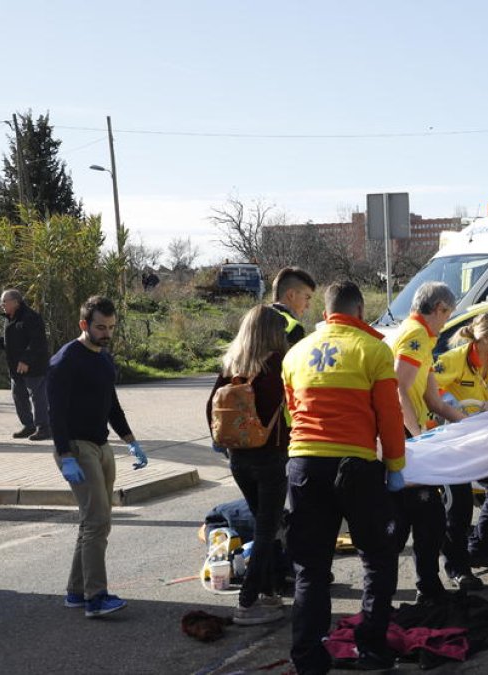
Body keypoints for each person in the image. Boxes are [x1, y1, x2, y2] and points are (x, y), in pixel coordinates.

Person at [282, 280, 406, 673]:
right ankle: (371, 648)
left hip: (304, 464)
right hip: (356, 465)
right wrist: (397, 468)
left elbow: (291, 414)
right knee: (377, 559)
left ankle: (307, 660)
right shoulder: (373, 350)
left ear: (325, 312)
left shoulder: (296, 354)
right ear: (358, 313)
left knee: (310, 568)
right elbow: (390, 417)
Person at [47, 295, 149, 618]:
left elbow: (112, 405)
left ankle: (76, 592)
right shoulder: (65, 360)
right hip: (77, 448)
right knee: (97, 522)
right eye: (100, 327)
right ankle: (96, 597)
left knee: (93, 524)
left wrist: (131, 441)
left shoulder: (104, 359)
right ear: (84, 325)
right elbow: (55, 413)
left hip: (102, 446)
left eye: (111, 328)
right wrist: (65, 455)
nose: (106, 333)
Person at [206, 305, 290, 626]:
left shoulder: (231, 365)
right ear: (272, 333)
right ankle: (248, 601)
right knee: (267, 529)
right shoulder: (277, 366)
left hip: (239, 459)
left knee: (261, 523)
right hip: (270, 456)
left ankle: (268, 592)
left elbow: (210, 408)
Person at [433, 310, 488, 589]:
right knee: (458, 507)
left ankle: (480, 548)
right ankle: (457, 568)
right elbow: (432, 392)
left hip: (483, 441)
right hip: (452, 441)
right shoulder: (452, 360)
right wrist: (455, 408)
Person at [392, 281, 468, 602]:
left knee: (430, 517)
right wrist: (419, 438)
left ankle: (429, 584)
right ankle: (425, 586)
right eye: (447, 315)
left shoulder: (424, 338)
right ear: (439, 309)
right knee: (424, 516)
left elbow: (433, 400)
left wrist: (470, 425)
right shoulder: (415, 335)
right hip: (405, 442)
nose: (446, 322)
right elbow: (398, 388)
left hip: (409, 440)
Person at [0, 289, 51, 441]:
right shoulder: (9, 318)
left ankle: (44, 428)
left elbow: (38, 342)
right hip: (15, 368)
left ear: (16, 302)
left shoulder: (31, 317)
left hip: (33, 366)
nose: (2, 304)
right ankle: (29, 426)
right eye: (2, 302)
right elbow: (10, 343)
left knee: (38, 397)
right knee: (19, 396)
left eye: (4, 301)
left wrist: (26, 360)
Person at [270, 267, 317, 346]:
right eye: (307, 297)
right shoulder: (294, 328)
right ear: (291, 295)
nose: (308, 305)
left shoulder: (253, 317)